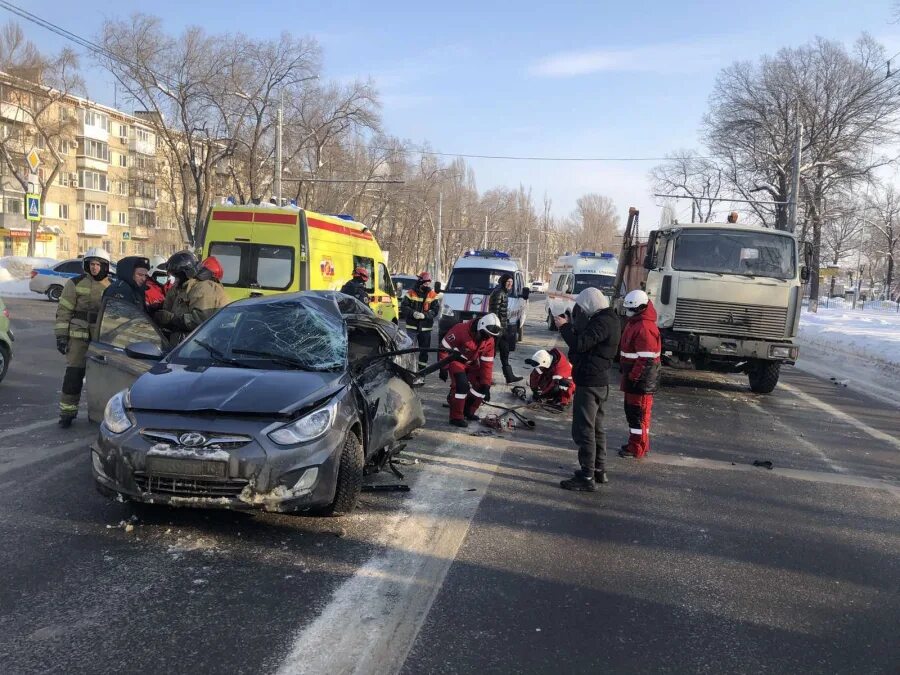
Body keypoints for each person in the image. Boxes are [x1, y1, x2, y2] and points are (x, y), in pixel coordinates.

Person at [555, 287, 620, 491]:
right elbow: (587, 339)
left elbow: (581, 343)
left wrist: (565, 328)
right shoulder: (607, 319)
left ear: (591, 304)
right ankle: (599, 470)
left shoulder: (602, 322)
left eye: (583, 307)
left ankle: (587, 476)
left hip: (591, 381)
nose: (581, 311)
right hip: (598, 380)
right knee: (597, 427)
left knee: (585, 429)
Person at [55, 247, 112, 427]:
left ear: (105, 267)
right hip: (77, 339)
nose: (95, 268)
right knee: (73, 375)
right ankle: (67, 413)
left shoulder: (111, 286)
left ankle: (102, 415)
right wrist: (61, 337)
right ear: (86, 265)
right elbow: (64, 311)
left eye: (98, 264)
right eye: (91, 264)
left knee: (102, 378)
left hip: (101, 339)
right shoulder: (75, 283)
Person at [618, 289, 661, 459]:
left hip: (640, 381)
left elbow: (646, 359)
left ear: (641, 307)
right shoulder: (636, 322)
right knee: (633, 413)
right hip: (634, 379)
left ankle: (638, 448)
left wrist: (633, 377)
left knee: (639, 415)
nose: (628, 312)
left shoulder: (644, 327)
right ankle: (635, 443)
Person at [438, 313, 501, 428]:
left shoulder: (489, 340)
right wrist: (443, 367)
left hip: (472, 363)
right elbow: (444, 347)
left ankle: (468, 410)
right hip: (456, 361)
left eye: (490, 336)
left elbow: (487, 363)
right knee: (461, 386)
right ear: (479, 328)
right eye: (485, 334)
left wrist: (486, 384)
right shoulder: (460, 330)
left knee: (482, 385)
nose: (486, 338)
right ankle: (456, 417)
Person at [154, 252, 229, 344]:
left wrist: (172, 319)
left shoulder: (204, 288)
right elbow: (174, 308)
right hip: (183, 344)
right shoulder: (184, 287)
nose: (174, 279)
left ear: (185, 273)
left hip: (200, 346)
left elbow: (201, 320)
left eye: (176, 275)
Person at [488, 273, 523, 384]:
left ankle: (509, 376)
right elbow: (494, 312)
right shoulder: (499, 292)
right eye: (508, 282)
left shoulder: (504, 292)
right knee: (491, 354)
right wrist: (497, 329)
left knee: (505, 351)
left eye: (511, 282)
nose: (510, 284)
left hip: (502, 328)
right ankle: (485, 377)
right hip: (497, 329)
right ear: (503, 282)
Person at [400, 272, 440, 370]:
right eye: (425, 283)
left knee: (424, 352)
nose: (427, 285)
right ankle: (408, 370)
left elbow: (435, 310)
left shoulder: (433, 295)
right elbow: (404, 307)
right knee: (408, 351)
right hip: (412, 328)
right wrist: (413, 313)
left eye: (428, 283)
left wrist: (424, 315)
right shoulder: (410, 293)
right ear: (420, 281)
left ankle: (422, 372)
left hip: (426, 329)